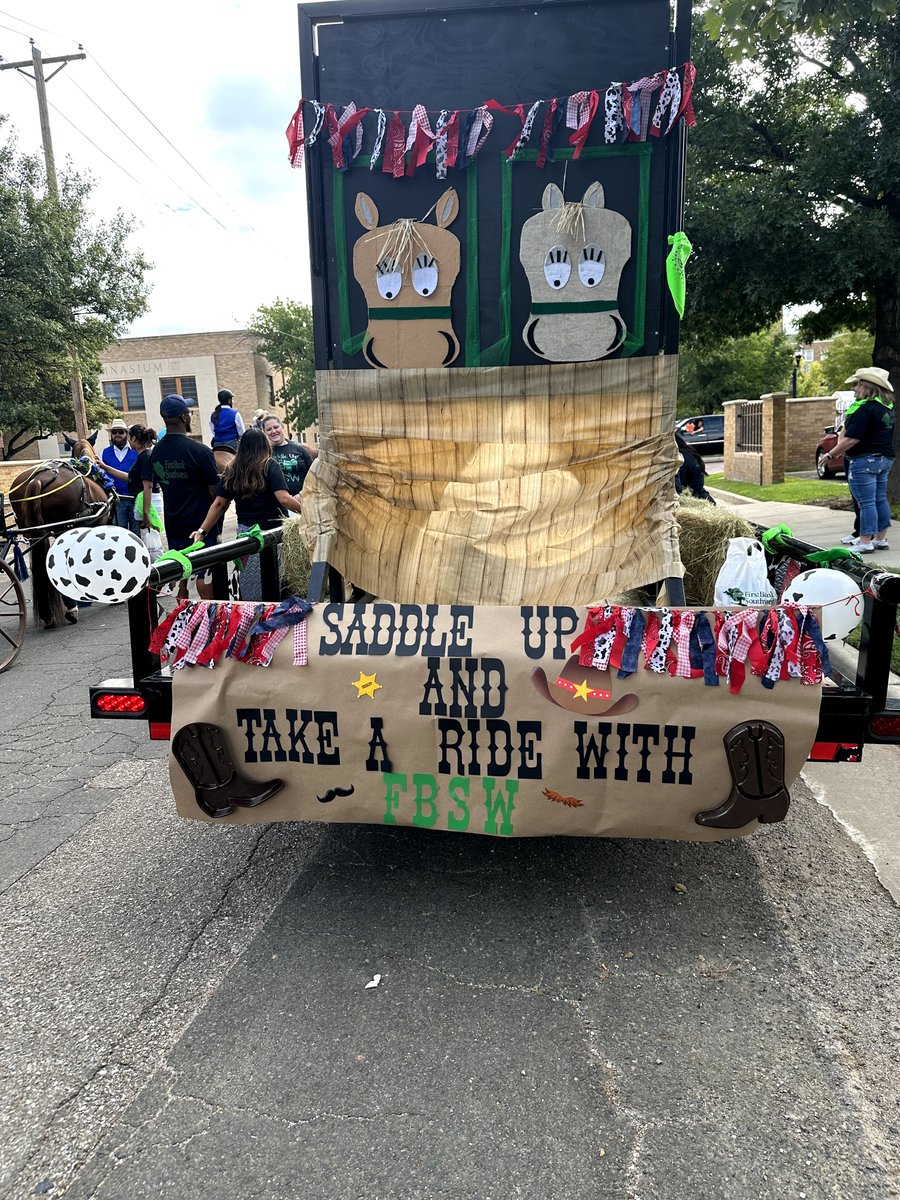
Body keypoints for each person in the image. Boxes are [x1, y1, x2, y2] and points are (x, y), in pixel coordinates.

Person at [190, 427, 302, 600]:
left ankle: (252, 611)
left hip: (246, 534)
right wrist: (307, 513)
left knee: (250, 581)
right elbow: (284, 499)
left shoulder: (232, 469)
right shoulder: (269, 465)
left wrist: (202, 531)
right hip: (273, 533)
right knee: (276, 580)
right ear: (264, 445)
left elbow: (219, 504)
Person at [142, 395, 220, 599]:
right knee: (205, 573)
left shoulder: (156, 453)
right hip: (202, 524)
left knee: (180, 573)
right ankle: (209, 615)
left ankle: (183, 614)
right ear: (184, 417)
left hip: (174, 523)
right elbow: (215, 490)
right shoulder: (200, 451)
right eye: (189, 413)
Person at [824, 367, 895, 554]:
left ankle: (865, 542)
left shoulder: (865, 409)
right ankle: (880, 539)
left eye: (858, 385)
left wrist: (830, 454)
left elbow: (851, 439)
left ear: (867, 387)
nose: (855, 388)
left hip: (864, 460)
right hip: (885, 459)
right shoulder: (886, 408)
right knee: (880, 499)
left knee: (866, 502)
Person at [100, 418, 139, 533]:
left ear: (127, 434)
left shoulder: (137, 451)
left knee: (137, 534)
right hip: (116, 501)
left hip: (136, 500)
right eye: (114, 432)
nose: (117, 434)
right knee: (119, 534)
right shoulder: (103, 453)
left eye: (121, 432)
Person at [260, 414, 316, 495]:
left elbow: (313, 476)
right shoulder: (263, 454)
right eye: (269, 429)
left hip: (303, 497)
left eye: (276, 427)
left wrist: (301, 495)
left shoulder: (300, 450)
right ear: (264, 432)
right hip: (275, 501)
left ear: (282, 427)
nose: (273, 431)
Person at [126, 424, 163, 527]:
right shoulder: (144, 456)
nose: (128, 441)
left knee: (151, 535)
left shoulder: (145, 456)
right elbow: (131, 478)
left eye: (129, 437)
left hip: (149, 501)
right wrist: (106, 467)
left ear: (133, 438)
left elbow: (148, 485)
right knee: (147, 535)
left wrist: (146, 512)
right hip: (145, 500)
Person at [674, 433, 715, 503]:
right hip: (701, 495)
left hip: (694, 496)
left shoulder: (681, 458)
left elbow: (679, 486)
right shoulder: (688, 452)